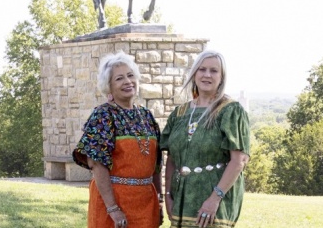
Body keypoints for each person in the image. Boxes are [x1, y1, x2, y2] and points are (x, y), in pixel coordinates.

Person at [160, 50, 251, 228]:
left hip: (216, 201)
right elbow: (172, 159)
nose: (207, 75)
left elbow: (239, 160)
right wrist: (168, 195)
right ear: (194, 74)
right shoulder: (179, 113)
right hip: (182, 197)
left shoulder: (230, 111)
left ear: (222, 76)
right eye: (202, 69)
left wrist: (214, 199)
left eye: (213, 71)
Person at [72, 51, 163, 227]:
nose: (128, 81)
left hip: (145, 202)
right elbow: (96, 163)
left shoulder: (146, 116)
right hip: (112, 203)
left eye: (130, 76)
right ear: (109, 86)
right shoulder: (103, 115)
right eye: (119, 78)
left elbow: (156, 164)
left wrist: (158, 201)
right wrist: (113, 209)